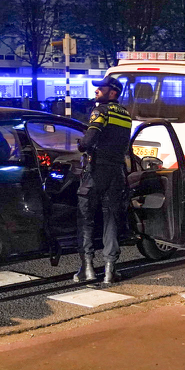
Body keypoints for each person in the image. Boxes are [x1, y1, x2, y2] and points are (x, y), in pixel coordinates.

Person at [75, 75, 132, 286]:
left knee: (86, 216)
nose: (97, 90)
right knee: (111, 220)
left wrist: (81, 146)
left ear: (113, 93)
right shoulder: (126, 115)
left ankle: (87, 268)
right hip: (116, 173)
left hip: (96, 171)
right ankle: (110, 270)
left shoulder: (100, 111)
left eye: (102, 88)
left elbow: (91, 137)